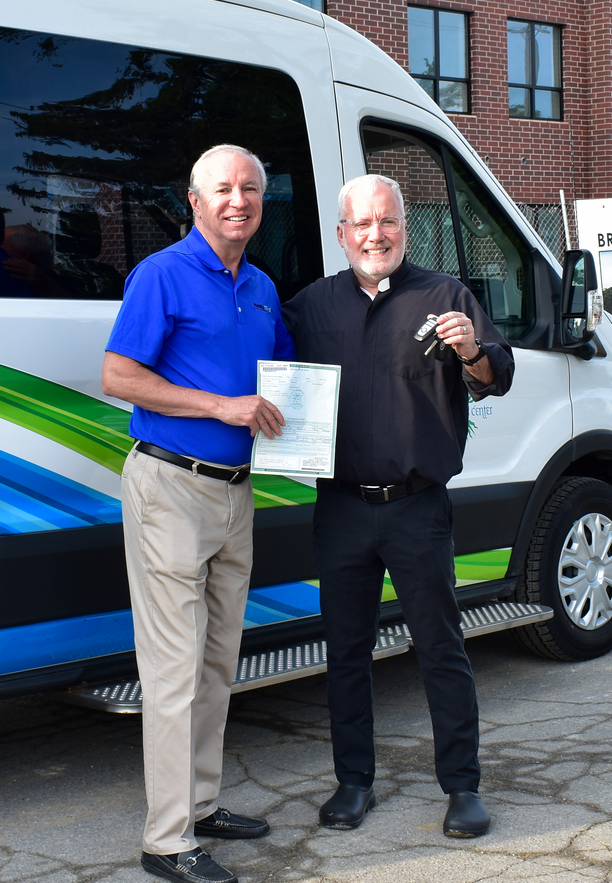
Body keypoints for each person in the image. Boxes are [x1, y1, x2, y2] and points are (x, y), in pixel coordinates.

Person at [281, 172, 514, 840]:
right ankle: (353, 781)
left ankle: (463, 786)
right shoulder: (309, 308)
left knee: (440, 646)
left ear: (402, 228)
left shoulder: (445, 296)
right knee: (346, 651)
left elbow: (495, 375)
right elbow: (267, 369)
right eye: (361, 224)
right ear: (342, 234)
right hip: (342, 508)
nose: (374, 235)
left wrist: (471, 350)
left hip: (419, 508)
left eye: (386, 222)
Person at [102, 145, 293, 883]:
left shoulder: (264, 287)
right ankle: (166, 838)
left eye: (249, 188)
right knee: (176, 667)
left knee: (219, 659)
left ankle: (201, 805)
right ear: (194, 199)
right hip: (171, 488)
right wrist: (221, 405)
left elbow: (285, 383)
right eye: (223, 188)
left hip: (235, 490)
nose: (237, 199)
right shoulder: (161, 274)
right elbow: (119, 374)